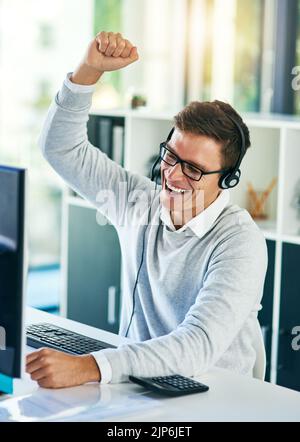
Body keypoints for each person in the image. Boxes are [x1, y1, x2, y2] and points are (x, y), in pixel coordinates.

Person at [26, 31, 268, 389]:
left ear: (227, 179)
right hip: (145, 384)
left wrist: (91, 366)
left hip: (219, 397)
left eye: (194, 169)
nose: (172, 174)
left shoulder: (239, 242)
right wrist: (88, 70)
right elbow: (60, 149)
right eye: (171, 155)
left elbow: (197, 344)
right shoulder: (140, 202)